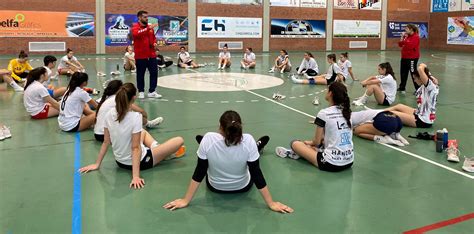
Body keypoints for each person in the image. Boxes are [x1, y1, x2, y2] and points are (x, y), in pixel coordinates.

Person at [163, 111, 293, 213]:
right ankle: (258, 146)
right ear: (240, 127)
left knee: (207, 151)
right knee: (251, 154)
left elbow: (200, 172)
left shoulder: (209, 139)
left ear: (220, 127)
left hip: (215, 187)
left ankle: (203, 146)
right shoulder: (248, 140)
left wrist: (186, 200)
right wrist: (271, 203)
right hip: (242, 186)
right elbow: (256, 174)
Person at [78, 83, 186, 189]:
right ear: (134, 98)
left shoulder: (110, 113)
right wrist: (135, 176)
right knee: (179, 140)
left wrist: (97, 164)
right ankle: (160, 152)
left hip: (120, 162)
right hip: (142, 161)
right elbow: (135, 148)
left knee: (142, 132)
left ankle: (158, 149)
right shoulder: (136, 117)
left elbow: (106, 141)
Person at [275, 82, 354, 172]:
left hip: (331, 164)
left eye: (327, 90)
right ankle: (310, 152)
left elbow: (316, 142)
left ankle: (295, 153)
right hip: (349, 161)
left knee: (295, 143)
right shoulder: (347, 112)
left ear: (330, 93)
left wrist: (309, 143)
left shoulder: (324, 113)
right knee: (322, 142)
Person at [94, 80, 164, 142]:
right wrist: (144, 118)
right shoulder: (117, 98)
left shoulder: (108, 98)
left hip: (98, 133)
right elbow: (141, 111)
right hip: (105, 135)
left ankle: (148, 124)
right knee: (137, 124)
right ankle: (149, 124)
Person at [386, 63, 439, 128]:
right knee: (399, 106)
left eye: (415, 78)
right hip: (419, 113)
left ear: (421, 78)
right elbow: (427, 73)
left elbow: (420, 69)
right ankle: (376, 112)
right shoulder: (427, 84)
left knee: (392, 114)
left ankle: (376, 115)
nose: (414, 81)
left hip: (423, 121)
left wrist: (423, 65)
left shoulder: (430, 86)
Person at [132, 10, 161, 99]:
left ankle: (152, 91)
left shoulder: (150, 28)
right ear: (139, 18)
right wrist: (148, 28)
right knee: (140, 74)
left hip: (151, 55)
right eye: (144, 17)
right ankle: (141, 91)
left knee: (154, 73)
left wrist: (155, 43)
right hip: (140, 56)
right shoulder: (135, 27)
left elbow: (153, 38)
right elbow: (136, 34)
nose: (146, 18)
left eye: (147, 17)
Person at [398, 24, 420, 94]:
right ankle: (402, 87)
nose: (405, 30)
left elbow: (410, 46)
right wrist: (402, 37)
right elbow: (400, 44)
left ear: (411, 29)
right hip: (404, 57)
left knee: (413, 73)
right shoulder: (407, 37)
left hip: (412, 58)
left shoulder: (416, 37)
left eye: (407, 29)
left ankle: (418, 89)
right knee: (403, 73)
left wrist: (405, 41)